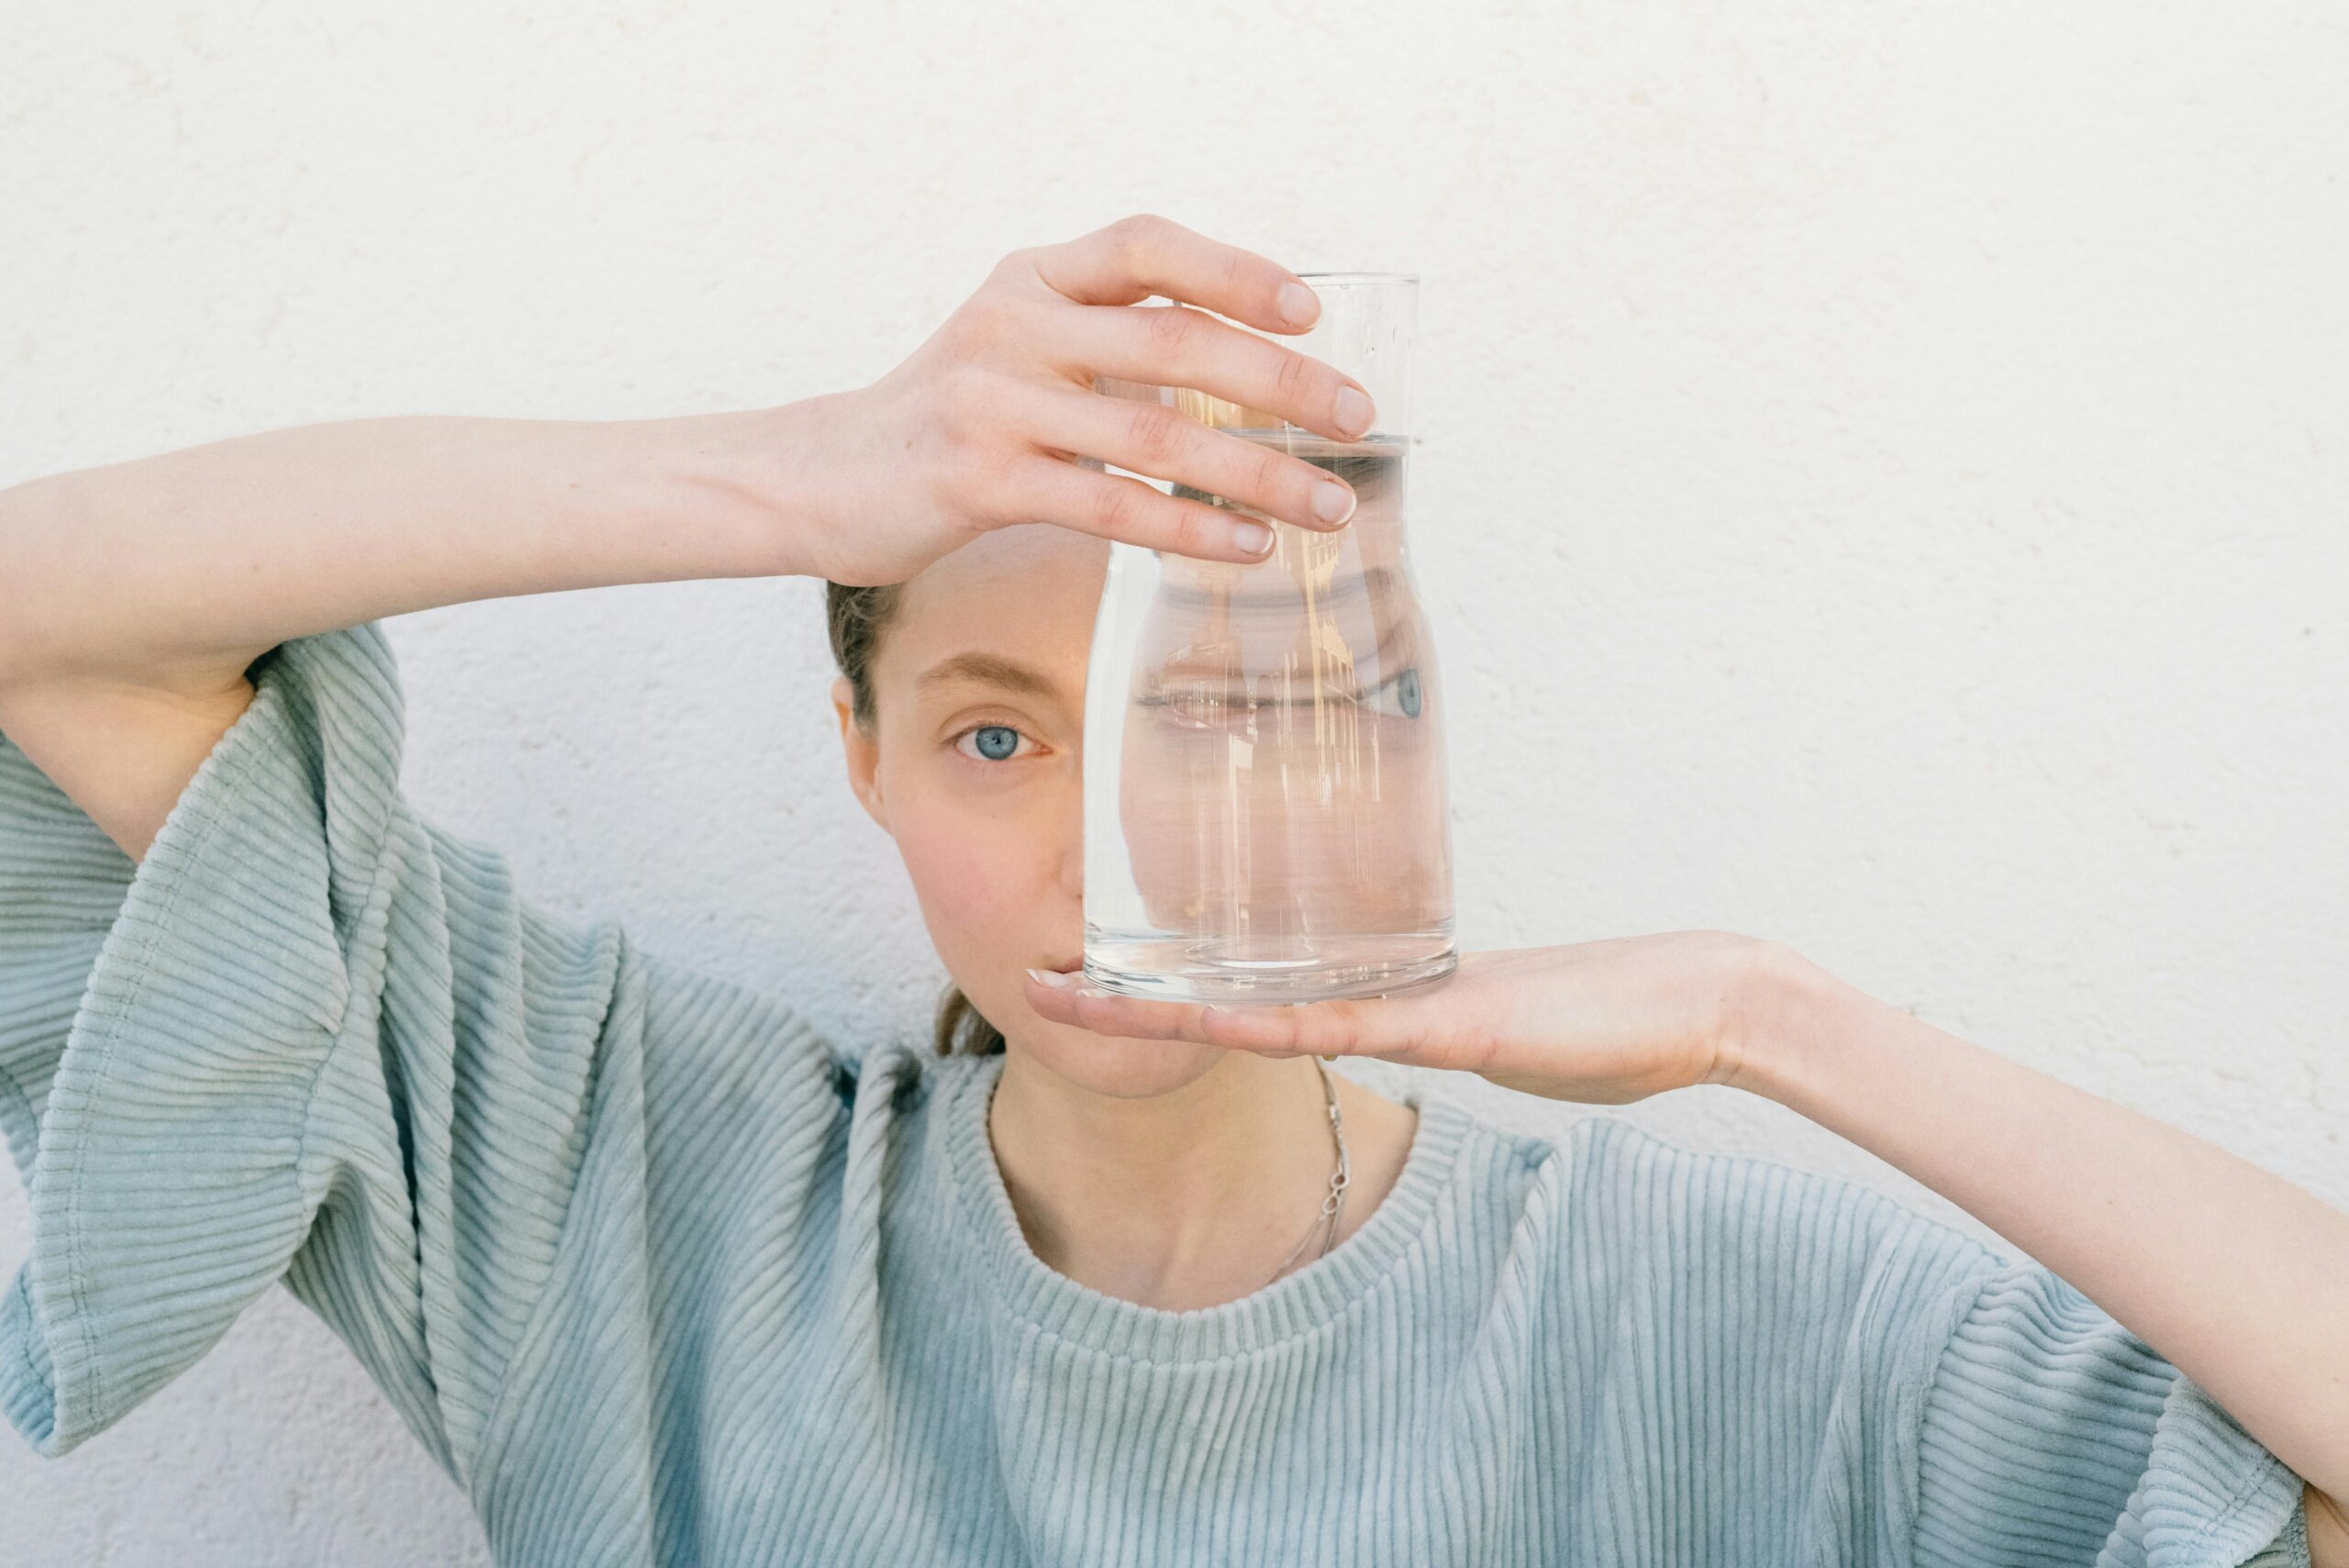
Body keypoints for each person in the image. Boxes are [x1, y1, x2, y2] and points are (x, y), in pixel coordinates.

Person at [0, 212, 2337, 1568]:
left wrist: (1770, 1016)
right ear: (863, 754)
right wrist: (803, 472)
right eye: (1001, 733)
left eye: (1209, 716)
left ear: (1362, 730)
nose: (1102, 843)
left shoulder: (1707, 1313)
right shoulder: (621, 1175)